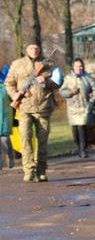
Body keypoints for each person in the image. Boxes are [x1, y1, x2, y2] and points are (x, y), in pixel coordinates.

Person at [4, 41, 60, 182]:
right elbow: (8, 83)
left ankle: (41, 170)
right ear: (26, 50)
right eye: (31, 48)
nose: (34, 50)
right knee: (25, 139)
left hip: (43, 107)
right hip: (24, 108)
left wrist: (46, 81)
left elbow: (58, 82)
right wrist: (15, 94)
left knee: (42, 141)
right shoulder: (17, 64)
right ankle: (28, 170)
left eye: (36, 48)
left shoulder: (49, 64)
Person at [60, 58, 95, 159]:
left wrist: (91, 102)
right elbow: (62, 91)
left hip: (84, 107)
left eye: (80, 66)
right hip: (72, 108)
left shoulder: (88, 77)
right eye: (76, 66)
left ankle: (83, 150)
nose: (79, 68)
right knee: (75, 130)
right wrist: (70, 92)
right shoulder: (68, 78)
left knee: (82, 128)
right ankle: (79, 147)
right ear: (73, 67)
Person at [0, 65, 14, 170]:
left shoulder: (5, 86)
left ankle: (10, 156)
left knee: (4, 139)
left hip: (5, 116)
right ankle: (0, 162)